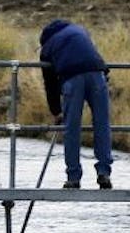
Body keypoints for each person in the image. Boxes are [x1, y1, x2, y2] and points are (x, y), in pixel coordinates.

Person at [38, 19, 113, 189]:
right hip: (97, 75)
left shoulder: (47, 47)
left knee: (72, 128)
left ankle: (73, 177)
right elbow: (93, 55)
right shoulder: (80, 30)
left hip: (73, 79)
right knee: (102, 124)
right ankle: (104, 173)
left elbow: (50, 84)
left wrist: (56, 111)